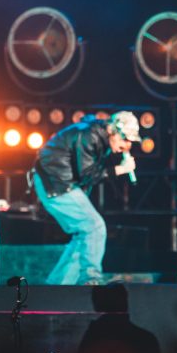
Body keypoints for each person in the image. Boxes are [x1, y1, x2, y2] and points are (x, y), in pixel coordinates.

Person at [31, 110, 141, 285]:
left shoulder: (98, 137)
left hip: (58, 183)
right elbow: (87, 174)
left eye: (130, 141)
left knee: (84, 236)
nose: (127, 145)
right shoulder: (89, 135)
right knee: (94, 227)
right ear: (113, 130)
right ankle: (91, 278)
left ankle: (57, 286)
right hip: (55, 183)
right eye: (125, 139)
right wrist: (120, 169)